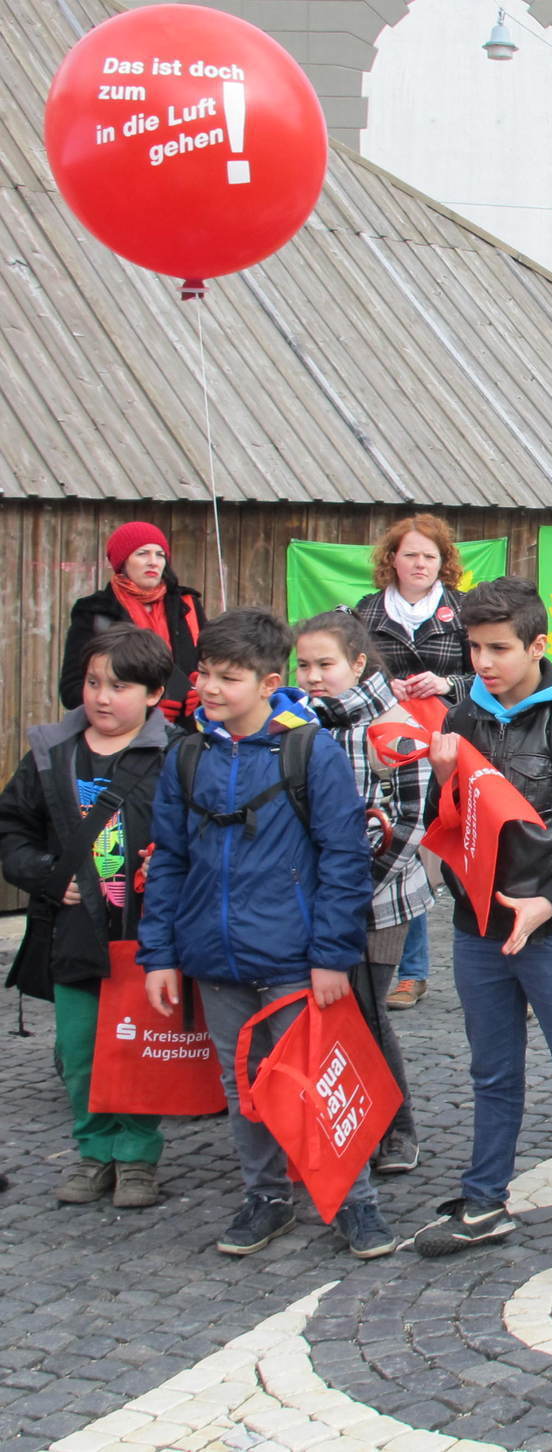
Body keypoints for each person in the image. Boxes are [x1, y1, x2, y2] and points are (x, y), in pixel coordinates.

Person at [135, 607, 390, 1260]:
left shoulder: (311, 752)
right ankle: (266, 1196)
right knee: (242, 1087)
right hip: (216, 961)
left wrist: (332, 957)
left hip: (294, 962)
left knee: (319, 1084)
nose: (211, 689)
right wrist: (159, 954)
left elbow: (344, 859)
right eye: (205, 675)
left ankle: (355, 1202)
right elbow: (168, 859)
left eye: (229, 677)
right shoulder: (187, 756)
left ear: (269, 681)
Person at [411, 577, 552, 1278]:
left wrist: (549, 902)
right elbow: (441, 829)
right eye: (474, 648)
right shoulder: (460, 720)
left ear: (538, 646)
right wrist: (444, 779)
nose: (483, 663)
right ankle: (485, 1201)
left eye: (499, 649)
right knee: (492, 1071)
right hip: (478, 926)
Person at [0, 626, 177, 1208]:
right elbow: (12, 829)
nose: (101, 697)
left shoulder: (177, 754)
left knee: (139, 1052)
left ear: (153, 694)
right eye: (93, 683)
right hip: (73, 935)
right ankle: (93, 1151)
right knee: (80, 1055)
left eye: (119, 686)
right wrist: (51, 875)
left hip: (145, 937)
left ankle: (136, 1158)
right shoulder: (52, 754)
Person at [294, 611, 429, 1177]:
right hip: (317, 901)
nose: (313, 676)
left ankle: (398, 1128)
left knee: (368, 1014)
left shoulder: (393, 724)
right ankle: (338, 1121)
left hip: (380, 899)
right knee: (325, 1016)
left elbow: (412, 821)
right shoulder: (302, 726)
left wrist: (351, 891)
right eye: (303, 665)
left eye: (325, 664)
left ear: (357, 663)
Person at [353, 514, 471, 1014]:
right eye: (411, 554)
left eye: (430, 556)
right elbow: (351, 673)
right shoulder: (365, 612)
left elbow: (486, 674)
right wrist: (387, 686)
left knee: (465, 847)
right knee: (403, 847)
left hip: (451, 742)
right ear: (391, 560)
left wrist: (447, 685)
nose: (420, 564)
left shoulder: (464, 610)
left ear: (443, 563)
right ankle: (412, 972)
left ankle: (496, 964)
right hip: (389, 746)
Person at [59, 522, 205, 727]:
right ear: (122, 562)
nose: (153, 562)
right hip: (125, 738)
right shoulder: (95, 611)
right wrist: (140, 708)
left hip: (185, 736)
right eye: (142, 553)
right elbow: (72, 690)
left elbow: (212, 665)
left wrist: (201, 689)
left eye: (160, 554)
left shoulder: (187, 604)